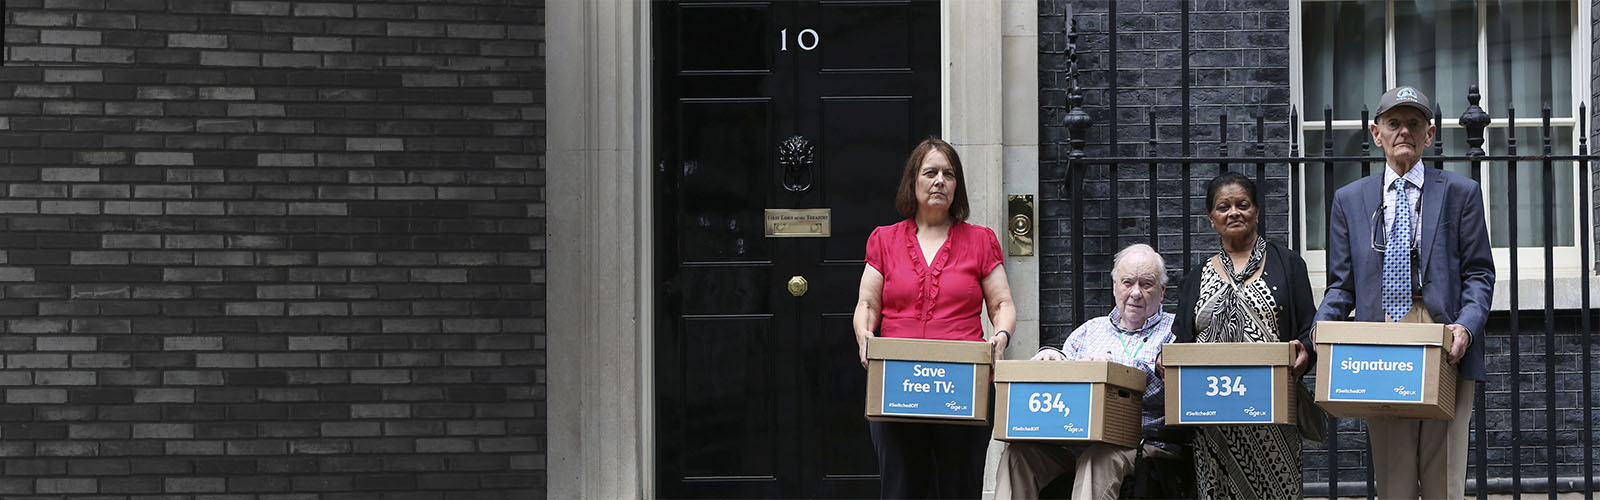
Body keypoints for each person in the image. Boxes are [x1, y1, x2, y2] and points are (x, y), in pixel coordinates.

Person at [1316, 85, 1495, 499]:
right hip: (1380, 341)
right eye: (1393, 123)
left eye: (1414, 123)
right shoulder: (1349, 200)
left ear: (1429, 134)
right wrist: (1321, 333)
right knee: (1393, 477)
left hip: (1443, 336)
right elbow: (1340, 285)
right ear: (1376, 134)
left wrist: (1466, 328)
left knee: (1445, 474)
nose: (1404, 132)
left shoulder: (1460, 193)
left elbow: (1479, 274)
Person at [852, 137, 1015, 499]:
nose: (940, 180)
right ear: (913, 181)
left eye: (949, 174)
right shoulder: (883, 240)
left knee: (959, 485)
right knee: (901, 486)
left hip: (963, 384)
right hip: (897, 383)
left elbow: (1002, 302)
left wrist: (1000, 337)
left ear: (957, 186)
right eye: (931, 172)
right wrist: (865, 337)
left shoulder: (981, 240)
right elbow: (868, 304)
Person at [994, 243, 1179, 499]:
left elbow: (1167, 386)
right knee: (1018, 454)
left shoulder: (1175, 331)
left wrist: (1114, 370)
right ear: (1114, 285)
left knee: (1098, 457)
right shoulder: (1091, 330)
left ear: (1163, 290)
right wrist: (1053, 357)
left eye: (1146, 284)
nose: (1136, 293)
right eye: (1127, 282)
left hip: (1139, 444)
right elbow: (1068, 370)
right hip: (1076, 443)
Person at [1171, 171, 1316, 498]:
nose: (1233, 212)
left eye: (1243, 204)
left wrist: (1305, 351)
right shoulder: (1195, 278)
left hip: (1272, 416)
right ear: (1211, 219)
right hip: (1213, 416)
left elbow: (1309, 329)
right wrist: (1164, 364)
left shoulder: (1289, 264)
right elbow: (1180, 342)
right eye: (1223, 207)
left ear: (1257, 211)